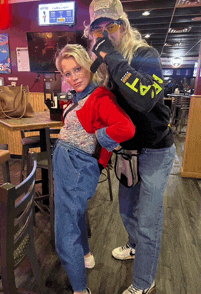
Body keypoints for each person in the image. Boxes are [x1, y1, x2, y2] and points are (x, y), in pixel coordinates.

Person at [84, 0, 176, 293]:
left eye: (111, 26)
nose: (106, 34)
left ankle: (144, 282)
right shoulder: (106, 66)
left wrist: (111, 58)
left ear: (124, 26)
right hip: (128, 151)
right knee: (126, 211)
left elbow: (145, 98)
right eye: (98, 29)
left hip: (156, 152)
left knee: (149, 221)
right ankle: (135, 245)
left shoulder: (144, 54)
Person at [53, 44, 136, 294]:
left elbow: (126, 129)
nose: (73, 77)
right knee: (75, 215)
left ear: (88, 67)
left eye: (77, 69)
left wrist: (99, 137)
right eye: (67, 73)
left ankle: (80, 290)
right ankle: (86, 254)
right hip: (70, 166)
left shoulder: (99, 97)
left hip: (76, 168)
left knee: (64, 233)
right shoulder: (81, 95)